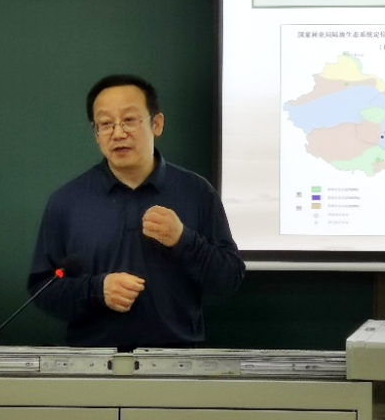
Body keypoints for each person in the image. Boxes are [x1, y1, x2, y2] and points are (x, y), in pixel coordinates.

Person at [27, 74, 245, 350]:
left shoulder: (196, 192)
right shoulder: (67, 201)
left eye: (129, 120)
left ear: (157, 124)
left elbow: (229, 279)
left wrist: (184, 240)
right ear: (95, 133)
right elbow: (42, 288)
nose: (118, 133)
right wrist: (96, 290)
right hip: (91, 361)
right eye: (106, 124)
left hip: (176, 361)